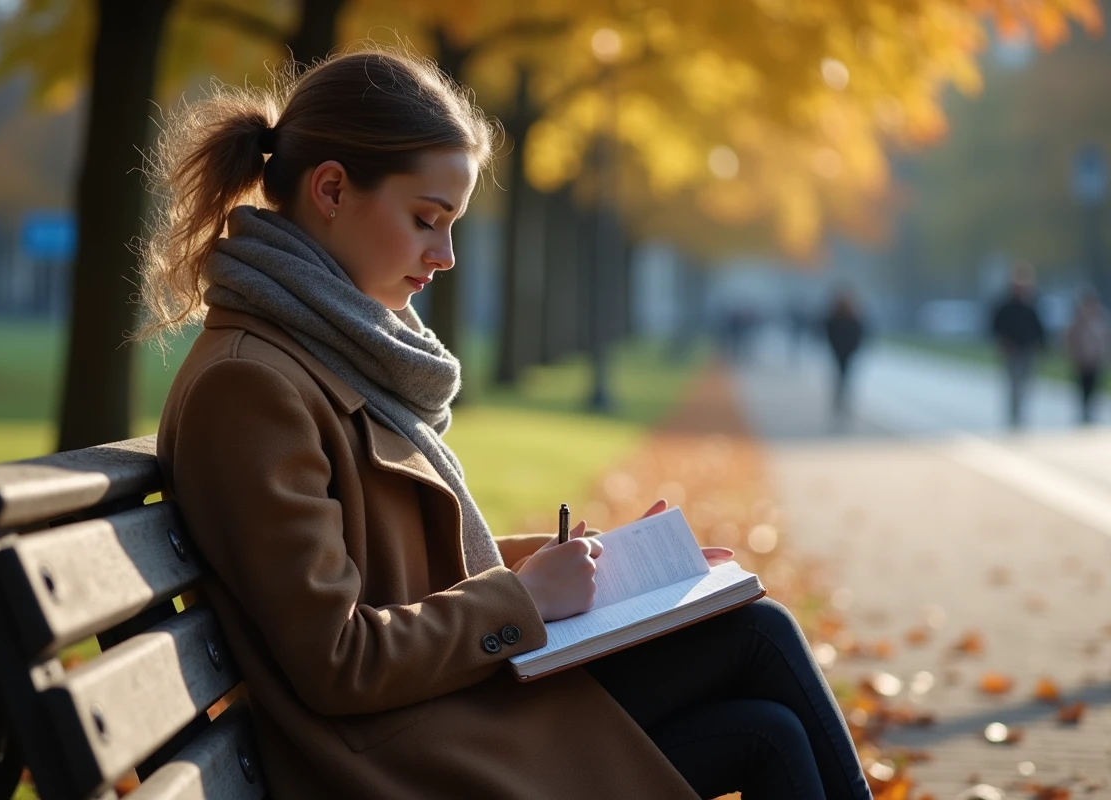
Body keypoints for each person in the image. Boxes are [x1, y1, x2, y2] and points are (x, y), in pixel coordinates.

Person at [140, 49, 872, 799]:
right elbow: (338, 659)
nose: (446, 255)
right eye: (427, 220)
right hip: (395, 757)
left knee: (765, 713)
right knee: (757, 644)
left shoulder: (318, 349)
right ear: (331, 188)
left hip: (442, 712)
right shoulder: (251, 385)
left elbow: (401, 576)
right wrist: (526, 597)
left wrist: (601, 570)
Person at [990, 263, 1046, 429]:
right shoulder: (1004, 305)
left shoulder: (1031, 304)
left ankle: (1021, 413)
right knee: (1014, 384)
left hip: (1028, 350)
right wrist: (1003, 342)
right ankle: (1014, 416)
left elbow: (1039, 327)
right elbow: (996, 326)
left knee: (1026, 384)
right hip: (1011, 351)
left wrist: (1041, 345)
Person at [1066, 288, 1109, 425]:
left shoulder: (1101, 320)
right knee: (1083, 389)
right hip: (1082, 362)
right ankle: (1084, 413)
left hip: (1096, 361)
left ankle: (1090, 413)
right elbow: (1072, 340)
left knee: (1094, 389)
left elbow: (1105, 340)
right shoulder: (1078, 320)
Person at [823, 289, 866, 422]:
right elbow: (829, 333)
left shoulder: (852, 318)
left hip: (847, 351)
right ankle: (840, 400)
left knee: (844, 376)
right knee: (842, 376)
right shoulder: (835, 318)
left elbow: (860, 334)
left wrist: (854, 347)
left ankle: (842, 400)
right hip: (840, 351)